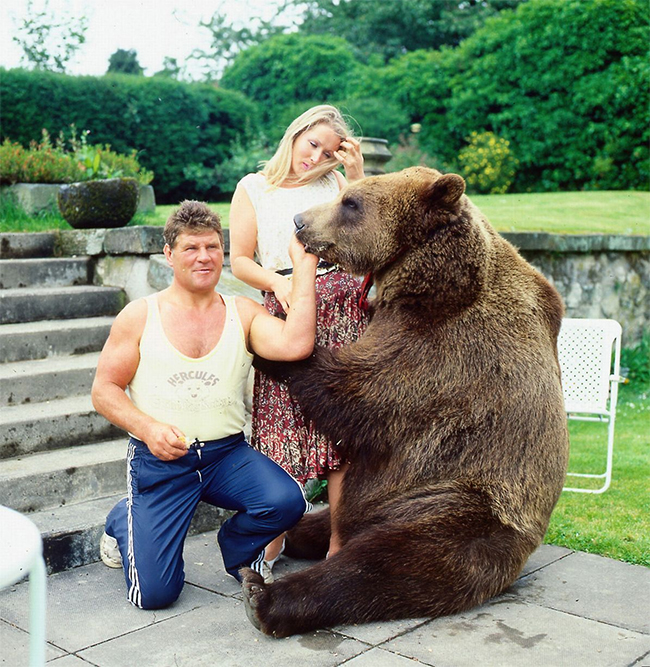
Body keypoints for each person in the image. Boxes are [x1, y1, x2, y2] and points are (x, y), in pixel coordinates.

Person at [91, 200, 318, 609]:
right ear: (169, 255)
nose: (204, 257)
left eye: (212, 247)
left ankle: (238, 550)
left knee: (288, 501)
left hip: (225, 455)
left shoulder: (242, 312)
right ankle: (123, 522)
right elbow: (104, 390)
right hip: (161, 460)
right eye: (191, 248)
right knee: (156, 596)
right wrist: (147, 429)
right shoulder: (140, 316)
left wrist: (303, 266)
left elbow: (296, 344)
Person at [229, 104, 369, 573]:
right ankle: (274, 537)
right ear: (296, 133)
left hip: (343, 311)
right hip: (284, 310)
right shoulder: (253, 187)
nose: (316, 157)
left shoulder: (334, 186)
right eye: (313, 144)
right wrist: (279, 282)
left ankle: (338, 543)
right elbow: (241, 262)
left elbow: (365, 237)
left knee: (340, 434)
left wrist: (354, 175)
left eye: (328, 151)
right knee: (278, 427)